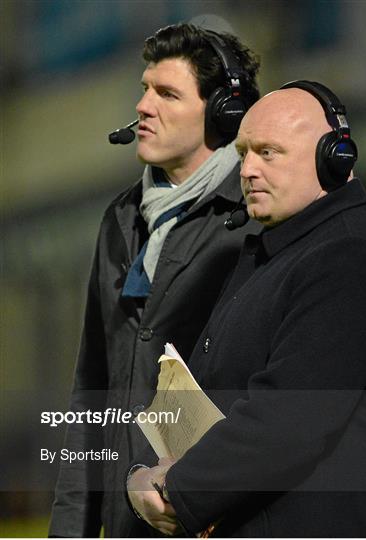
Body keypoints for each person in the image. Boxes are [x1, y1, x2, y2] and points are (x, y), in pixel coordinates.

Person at [127, 81, 366, 537]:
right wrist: (155, 474)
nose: (246, 169)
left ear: (334, 159)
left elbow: (287, 419)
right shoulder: (282, 252)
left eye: (268, 152)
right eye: (244, 151)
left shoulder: (352, 257)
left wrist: (173, 489)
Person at [49, 23, 261, 538]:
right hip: (125, 521)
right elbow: (91, 393)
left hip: (211, 519)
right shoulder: (120, 219)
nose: (144, 106)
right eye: (145, 89)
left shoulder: (256, 218)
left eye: (167, 93)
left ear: (221, 112)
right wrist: (69, 529)